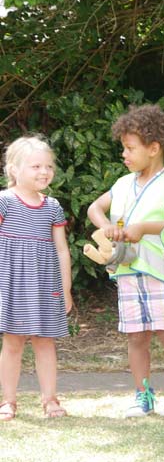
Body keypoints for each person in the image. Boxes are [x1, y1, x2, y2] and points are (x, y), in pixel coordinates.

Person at [85, 104, 164, 417]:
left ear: (154, 148)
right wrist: (104, 225)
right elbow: (95, 208)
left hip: (160, 271)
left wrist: (144, 229)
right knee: (136, 336)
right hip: (127, 272)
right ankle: (142, 394)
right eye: (124, 148)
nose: (125, 155)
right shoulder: (121, 184)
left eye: (130, 148)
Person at [0, 136, 73, 421]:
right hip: (12, 285)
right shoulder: (4, 202)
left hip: (45, 286)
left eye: (49, 166)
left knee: (45, 342)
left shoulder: (52, 207)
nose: (44, 172)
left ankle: (50, 400)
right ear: (14, 169)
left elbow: (62, 250)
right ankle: (8, 401)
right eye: (35, 166)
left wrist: (65, 289)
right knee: (13, 342)